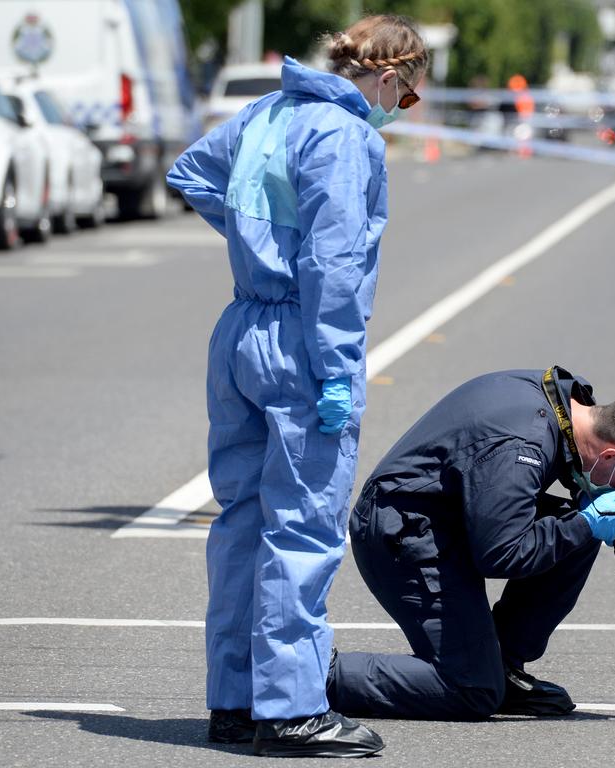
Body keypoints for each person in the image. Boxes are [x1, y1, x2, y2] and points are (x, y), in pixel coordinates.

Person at [166, 15, 428, 759]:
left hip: (240, 332)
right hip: (300, 342)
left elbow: (189, 171)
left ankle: (234, 702)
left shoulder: (267, 112)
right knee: (302, 532)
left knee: (241, 526)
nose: (399, 111)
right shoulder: (348, 138)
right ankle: (289, 711)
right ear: (388, 76)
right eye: (404, 98)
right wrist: (338, 370)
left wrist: (254, 237)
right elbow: (335, 267)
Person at [327, 366, 615, 720]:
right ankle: (313, 674)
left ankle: (502, 667)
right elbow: (501, 554)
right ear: (609, 457)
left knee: (576, 529)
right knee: (471, 691)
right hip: (400, 534)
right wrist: (585, 524)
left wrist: (584, 516)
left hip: (446, 516)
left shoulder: (568, 402)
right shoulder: (521, 446)